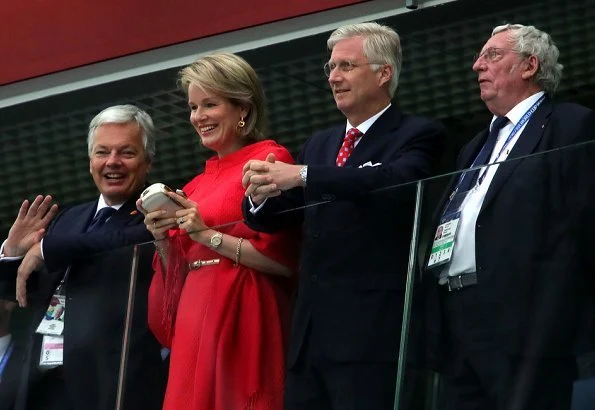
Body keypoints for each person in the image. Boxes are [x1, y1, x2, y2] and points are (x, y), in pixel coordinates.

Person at [241, 22, 445, 410]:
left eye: (347, 66)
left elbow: (397, 182)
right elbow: (273, 219)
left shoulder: (418, 133)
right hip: (311, 336)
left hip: (371, 334)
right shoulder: (320, 143)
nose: (334, 77)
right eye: (331, 68)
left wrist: (300, 175)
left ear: (384, 73)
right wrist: (259, 193)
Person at [424, 24, 595, 410]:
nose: (476, 65)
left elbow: (584, 225)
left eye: (492, 55)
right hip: (461, 315)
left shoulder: (570, 125)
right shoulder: (474, 145)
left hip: (529, 316)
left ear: (530, 65)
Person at [138, 52, 298, 410]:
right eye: (193, 107)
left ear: (242, 107)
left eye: (210, 104)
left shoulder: (271, 160)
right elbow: (171, 287)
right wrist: (162, 237)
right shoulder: (193, 186)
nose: (198, 117)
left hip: (246, 310)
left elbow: (285, 261)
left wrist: (208, 235)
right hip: (196, 317)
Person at [0, 105, 166, 410]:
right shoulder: (69, 219)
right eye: (102, 152)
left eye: (126, 152)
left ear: (148, 163)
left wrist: (48, 249)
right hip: (44, 387)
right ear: (90, 161)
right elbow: (20, 296)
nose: (112, 162)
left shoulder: (154, 215)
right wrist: (12, 253)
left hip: (110, 387)